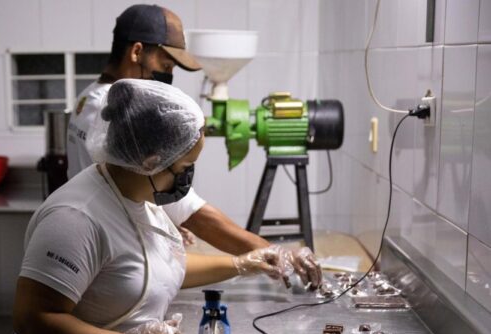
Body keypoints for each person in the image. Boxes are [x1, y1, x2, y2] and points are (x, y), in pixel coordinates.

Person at [0, 79, 298, 334]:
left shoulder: (140, 198)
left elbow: (160, 266)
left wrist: (244, 263)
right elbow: (34, 318)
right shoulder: (76, 218)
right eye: (184, 168)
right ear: (152, 161)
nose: (187, 178)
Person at [67, 4, 322, 289]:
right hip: (110, 267)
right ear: (137, 52)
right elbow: (191, 211)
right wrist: (274, 251)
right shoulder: (112, 113)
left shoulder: (89, 97)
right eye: (165, 67)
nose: (167, 78)